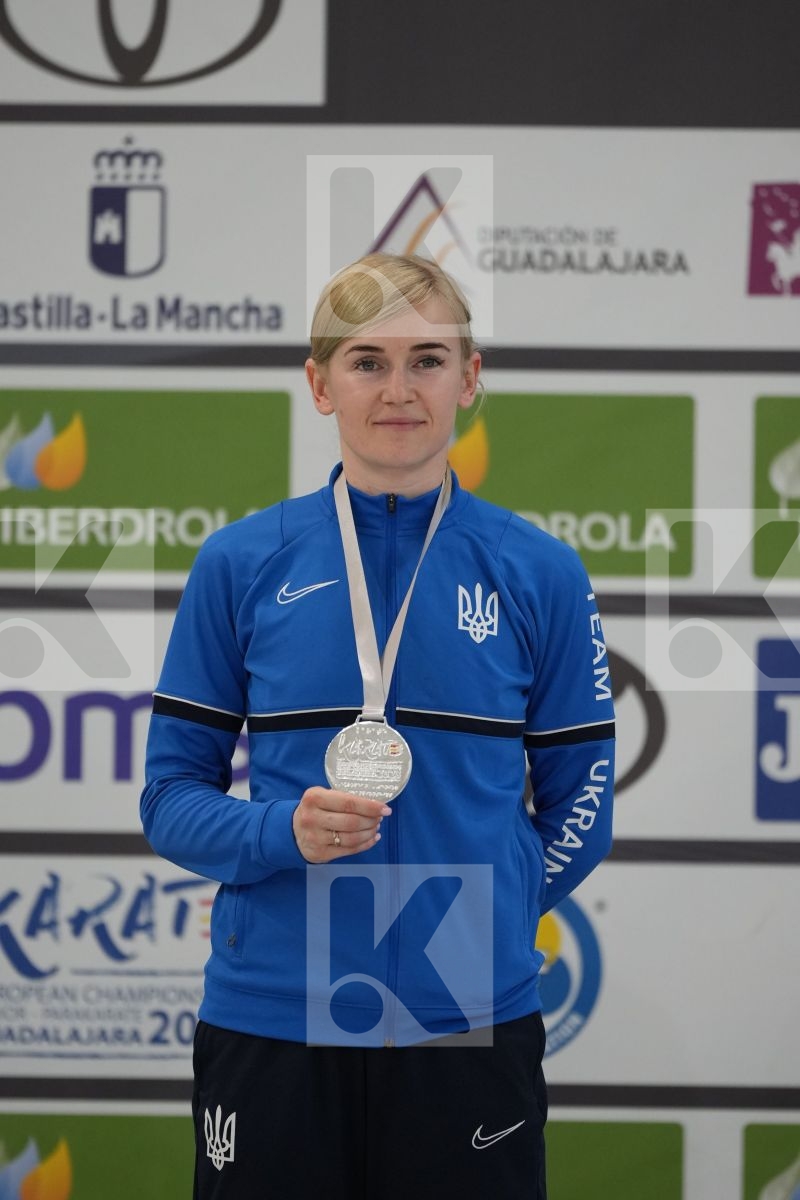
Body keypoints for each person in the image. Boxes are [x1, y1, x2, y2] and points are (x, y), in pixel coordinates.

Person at [140, 252, 615, 1199]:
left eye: (428, 359)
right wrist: (281, 832)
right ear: (320, 384)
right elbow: (169, 797)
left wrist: (476, 928)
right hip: (273, 1016)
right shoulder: (239, 562)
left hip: (468, 1023)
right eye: (367, 361)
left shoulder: (540, 571)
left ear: (470, 380)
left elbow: (583, 804)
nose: (399, 389)